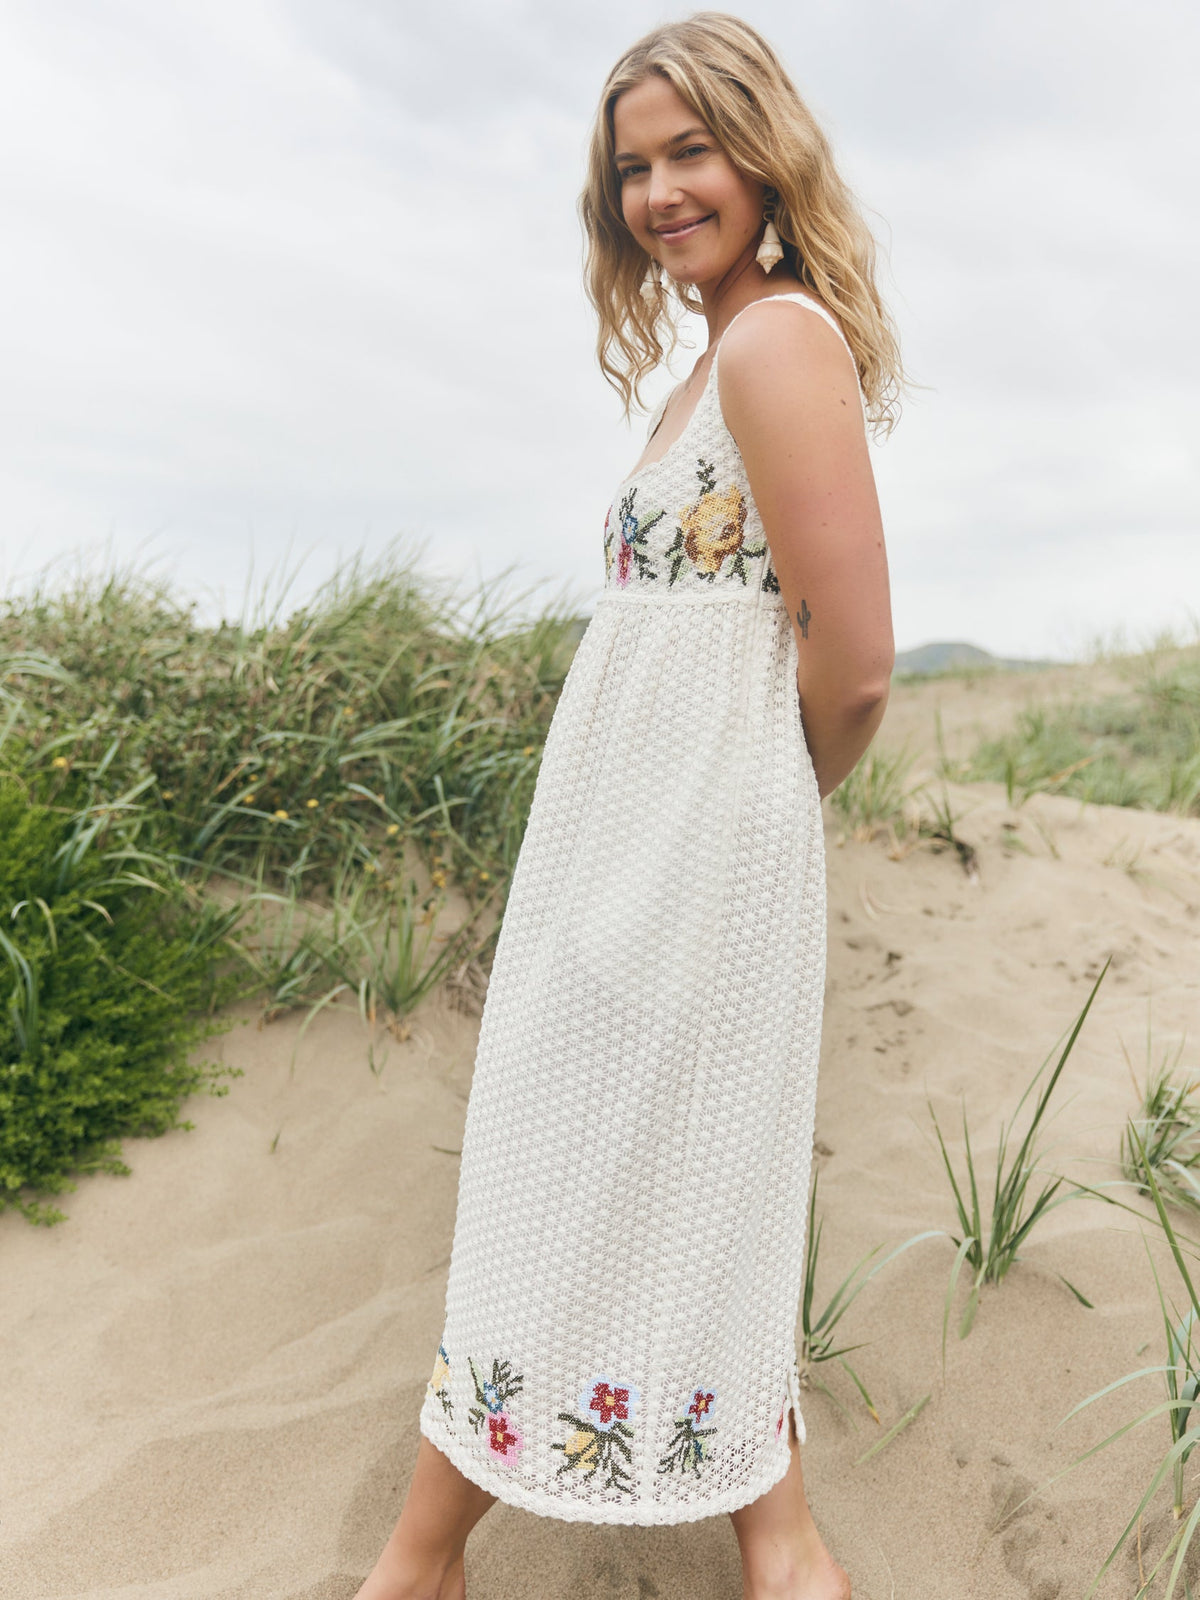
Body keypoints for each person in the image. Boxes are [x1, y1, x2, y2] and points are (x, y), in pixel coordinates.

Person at [356, 12, 899, 1599]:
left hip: (692, 865)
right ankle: (757, 1551)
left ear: (766, 150)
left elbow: (854, 665)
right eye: (633, 167)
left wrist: (739, 831)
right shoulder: (712, 356)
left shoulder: (774, 341)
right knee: (646, 1187)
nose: (661, 190)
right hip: (632, 856)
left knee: (581, 1177)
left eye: (690, 151)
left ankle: (416, 1563)